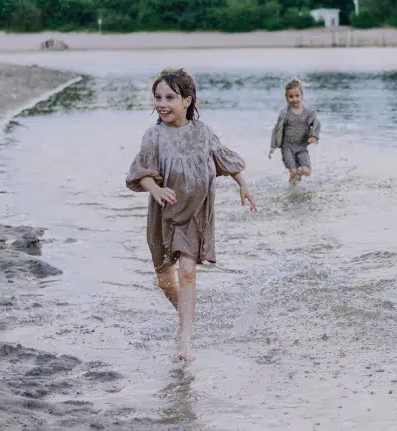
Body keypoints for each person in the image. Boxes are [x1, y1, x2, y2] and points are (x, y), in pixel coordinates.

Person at [125, 68, 255, 362]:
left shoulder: (203, 132)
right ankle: (185, 316)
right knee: (164, 279)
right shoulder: (154, 136)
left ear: (187, 100)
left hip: (195, 214)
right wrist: (155, 190)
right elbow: (139, 173)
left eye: (170, 97)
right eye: (157, 97)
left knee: (187, 270)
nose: (162, 103)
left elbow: (225, 160)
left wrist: (243, 186)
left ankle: (185, 340)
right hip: (163, 214)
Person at [269, 77, 321, 185]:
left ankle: (297, 179)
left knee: (307, 171)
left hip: (302, 147)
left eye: (297, 96)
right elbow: (276, 129)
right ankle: (292, 193)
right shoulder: (285, 113)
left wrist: (313, 136)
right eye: (291, 96)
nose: (294, 99)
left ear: (302, 96)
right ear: (286, 97)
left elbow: (316, 124)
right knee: (293, 172)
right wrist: (273, 146)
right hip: (287, 148)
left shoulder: (308, 113)